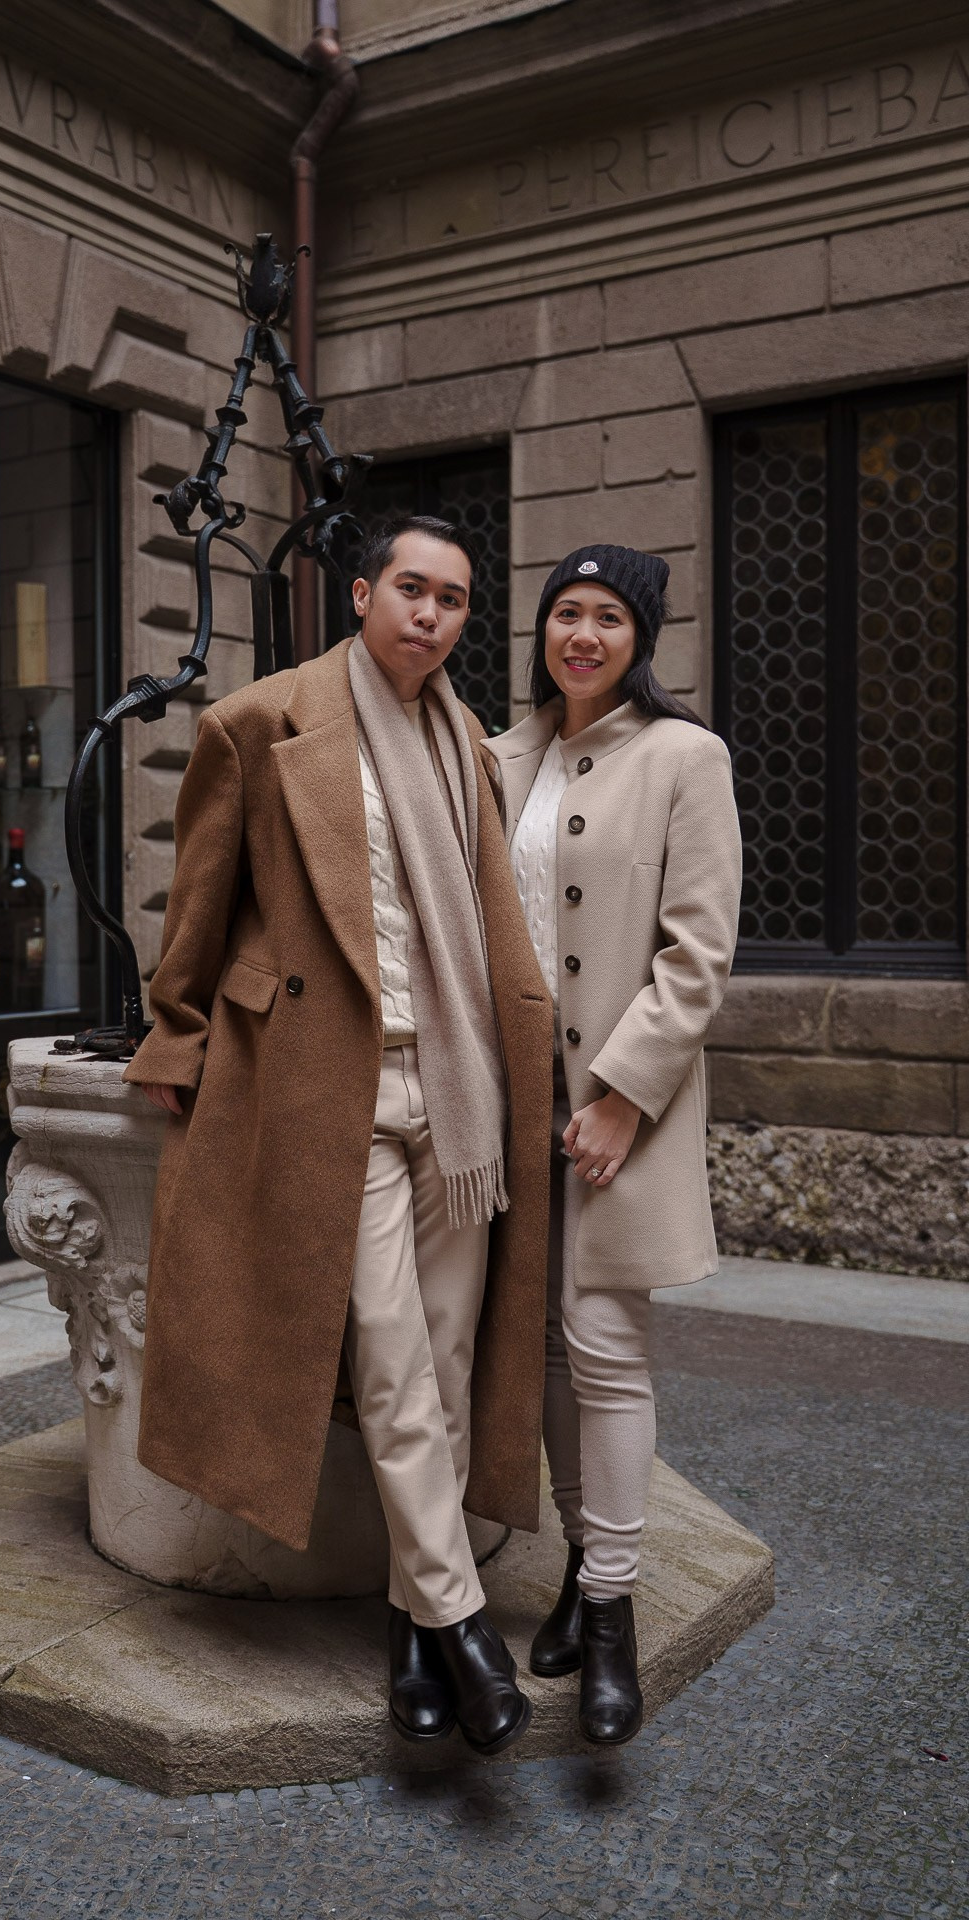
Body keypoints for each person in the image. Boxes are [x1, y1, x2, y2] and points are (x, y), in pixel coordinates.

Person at [124, 514, 552, 1755]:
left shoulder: (466, 743)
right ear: (361, 594)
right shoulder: (258, 723)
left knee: (448, 1365)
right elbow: (200, 902)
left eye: (453, 599)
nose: (430, 614)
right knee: (392, 1363)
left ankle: (413, 1635)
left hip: (459, 1095)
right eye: (411, 588)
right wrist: (174, 1035)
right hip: (329, 1088)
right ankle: (464, 1626)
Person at [483, 544, 742, 1747]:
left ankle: (610, 1618)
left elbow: (697, 953)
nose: (580, 635)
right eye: (564, 613)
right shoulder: (499, 757)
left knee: (604, 1345)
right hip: (507, 1101)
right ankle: (583, 1578)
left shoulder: (685, 757)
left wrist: (623, 1095)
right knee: (540, 1344)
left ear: (639, 638)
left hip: (610, 1109)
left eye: (606, 618)